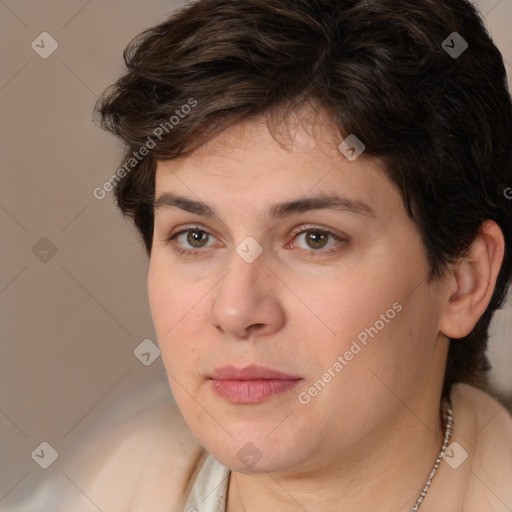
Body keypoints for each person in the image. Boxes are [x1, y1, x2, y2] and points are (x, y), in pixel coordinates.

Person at [18, 0, 512, 510]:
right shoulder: (90, 492)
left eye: (315, 238)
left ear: (463, 281)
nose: (235, 311)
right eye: (195, 236)